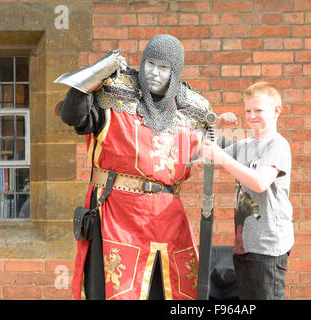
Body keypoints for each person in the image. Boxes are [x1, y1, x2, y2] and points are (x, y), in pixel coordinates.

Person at [59, 34, 213, 300]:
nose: (154, 72)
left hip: (168, 218)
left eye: (163, 68)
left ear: (174, 72)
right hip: (115, 212)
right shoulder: (113, 94)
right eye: (150, 64)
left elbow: (216, 151)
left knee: (172, 293)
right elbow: (73, 115)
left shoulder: (192, 110)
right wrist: (90, 79)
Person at [201, 82, 294, 300]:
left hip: (268, 246)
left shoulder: (277, 145)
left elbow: (260, 183)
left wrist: (222, 157)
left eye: (259, 110)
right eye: (248, 110)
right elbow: (203, 157)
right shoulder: (245, 145)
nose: (252, 116)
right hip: (244, 246)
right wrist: (215, 127)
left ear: (276, 110)